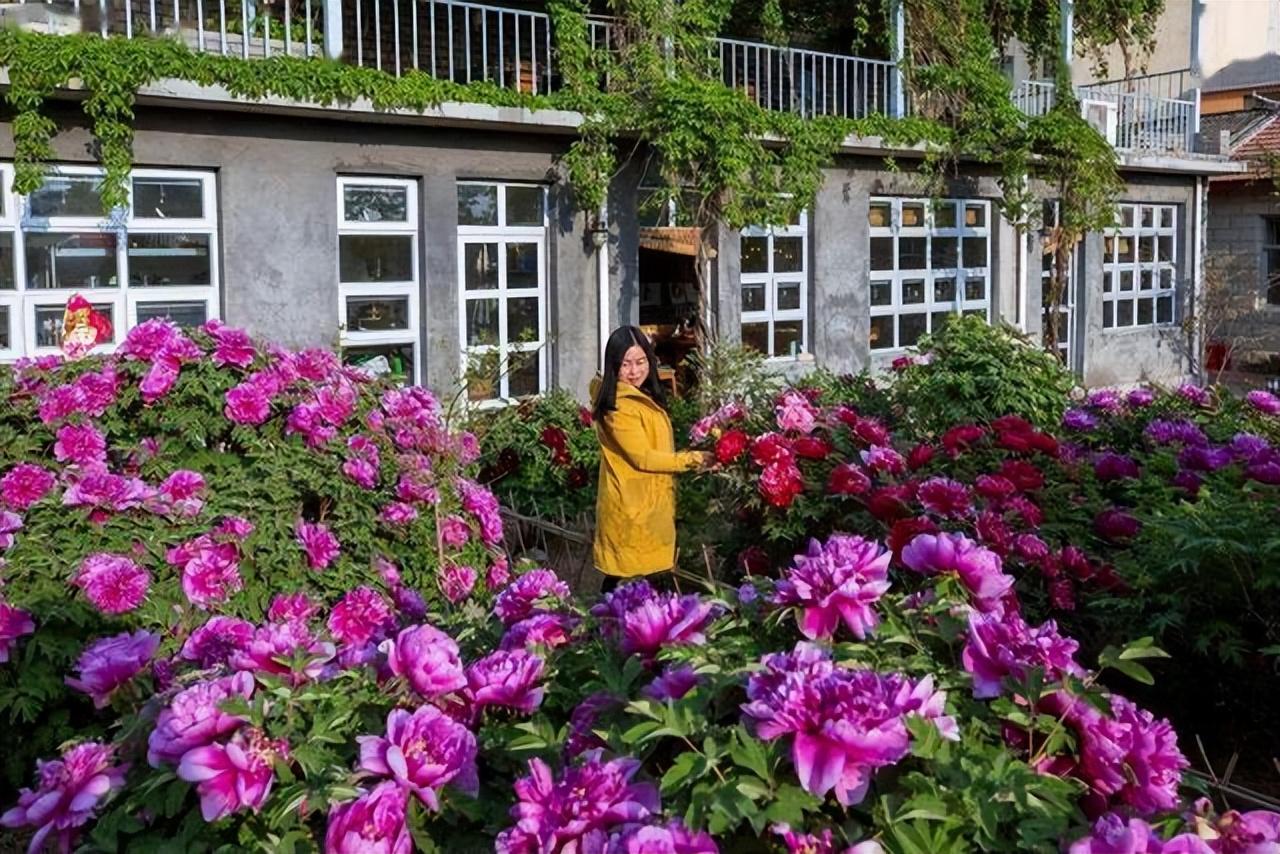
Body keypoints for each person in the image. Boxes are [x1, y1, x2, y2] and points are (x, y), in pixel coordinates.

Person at [591, 326, 712, 586]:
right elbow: (643, 458)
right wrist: (694, 459)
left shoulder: (639, 396)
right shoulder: (618, 406)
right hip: (631, 507)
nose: (634, 372)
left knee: (634, 582)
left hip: (647, 503)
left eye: (640, 362)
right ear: (614, 366)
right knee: (624, 584)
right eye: (626, 365)